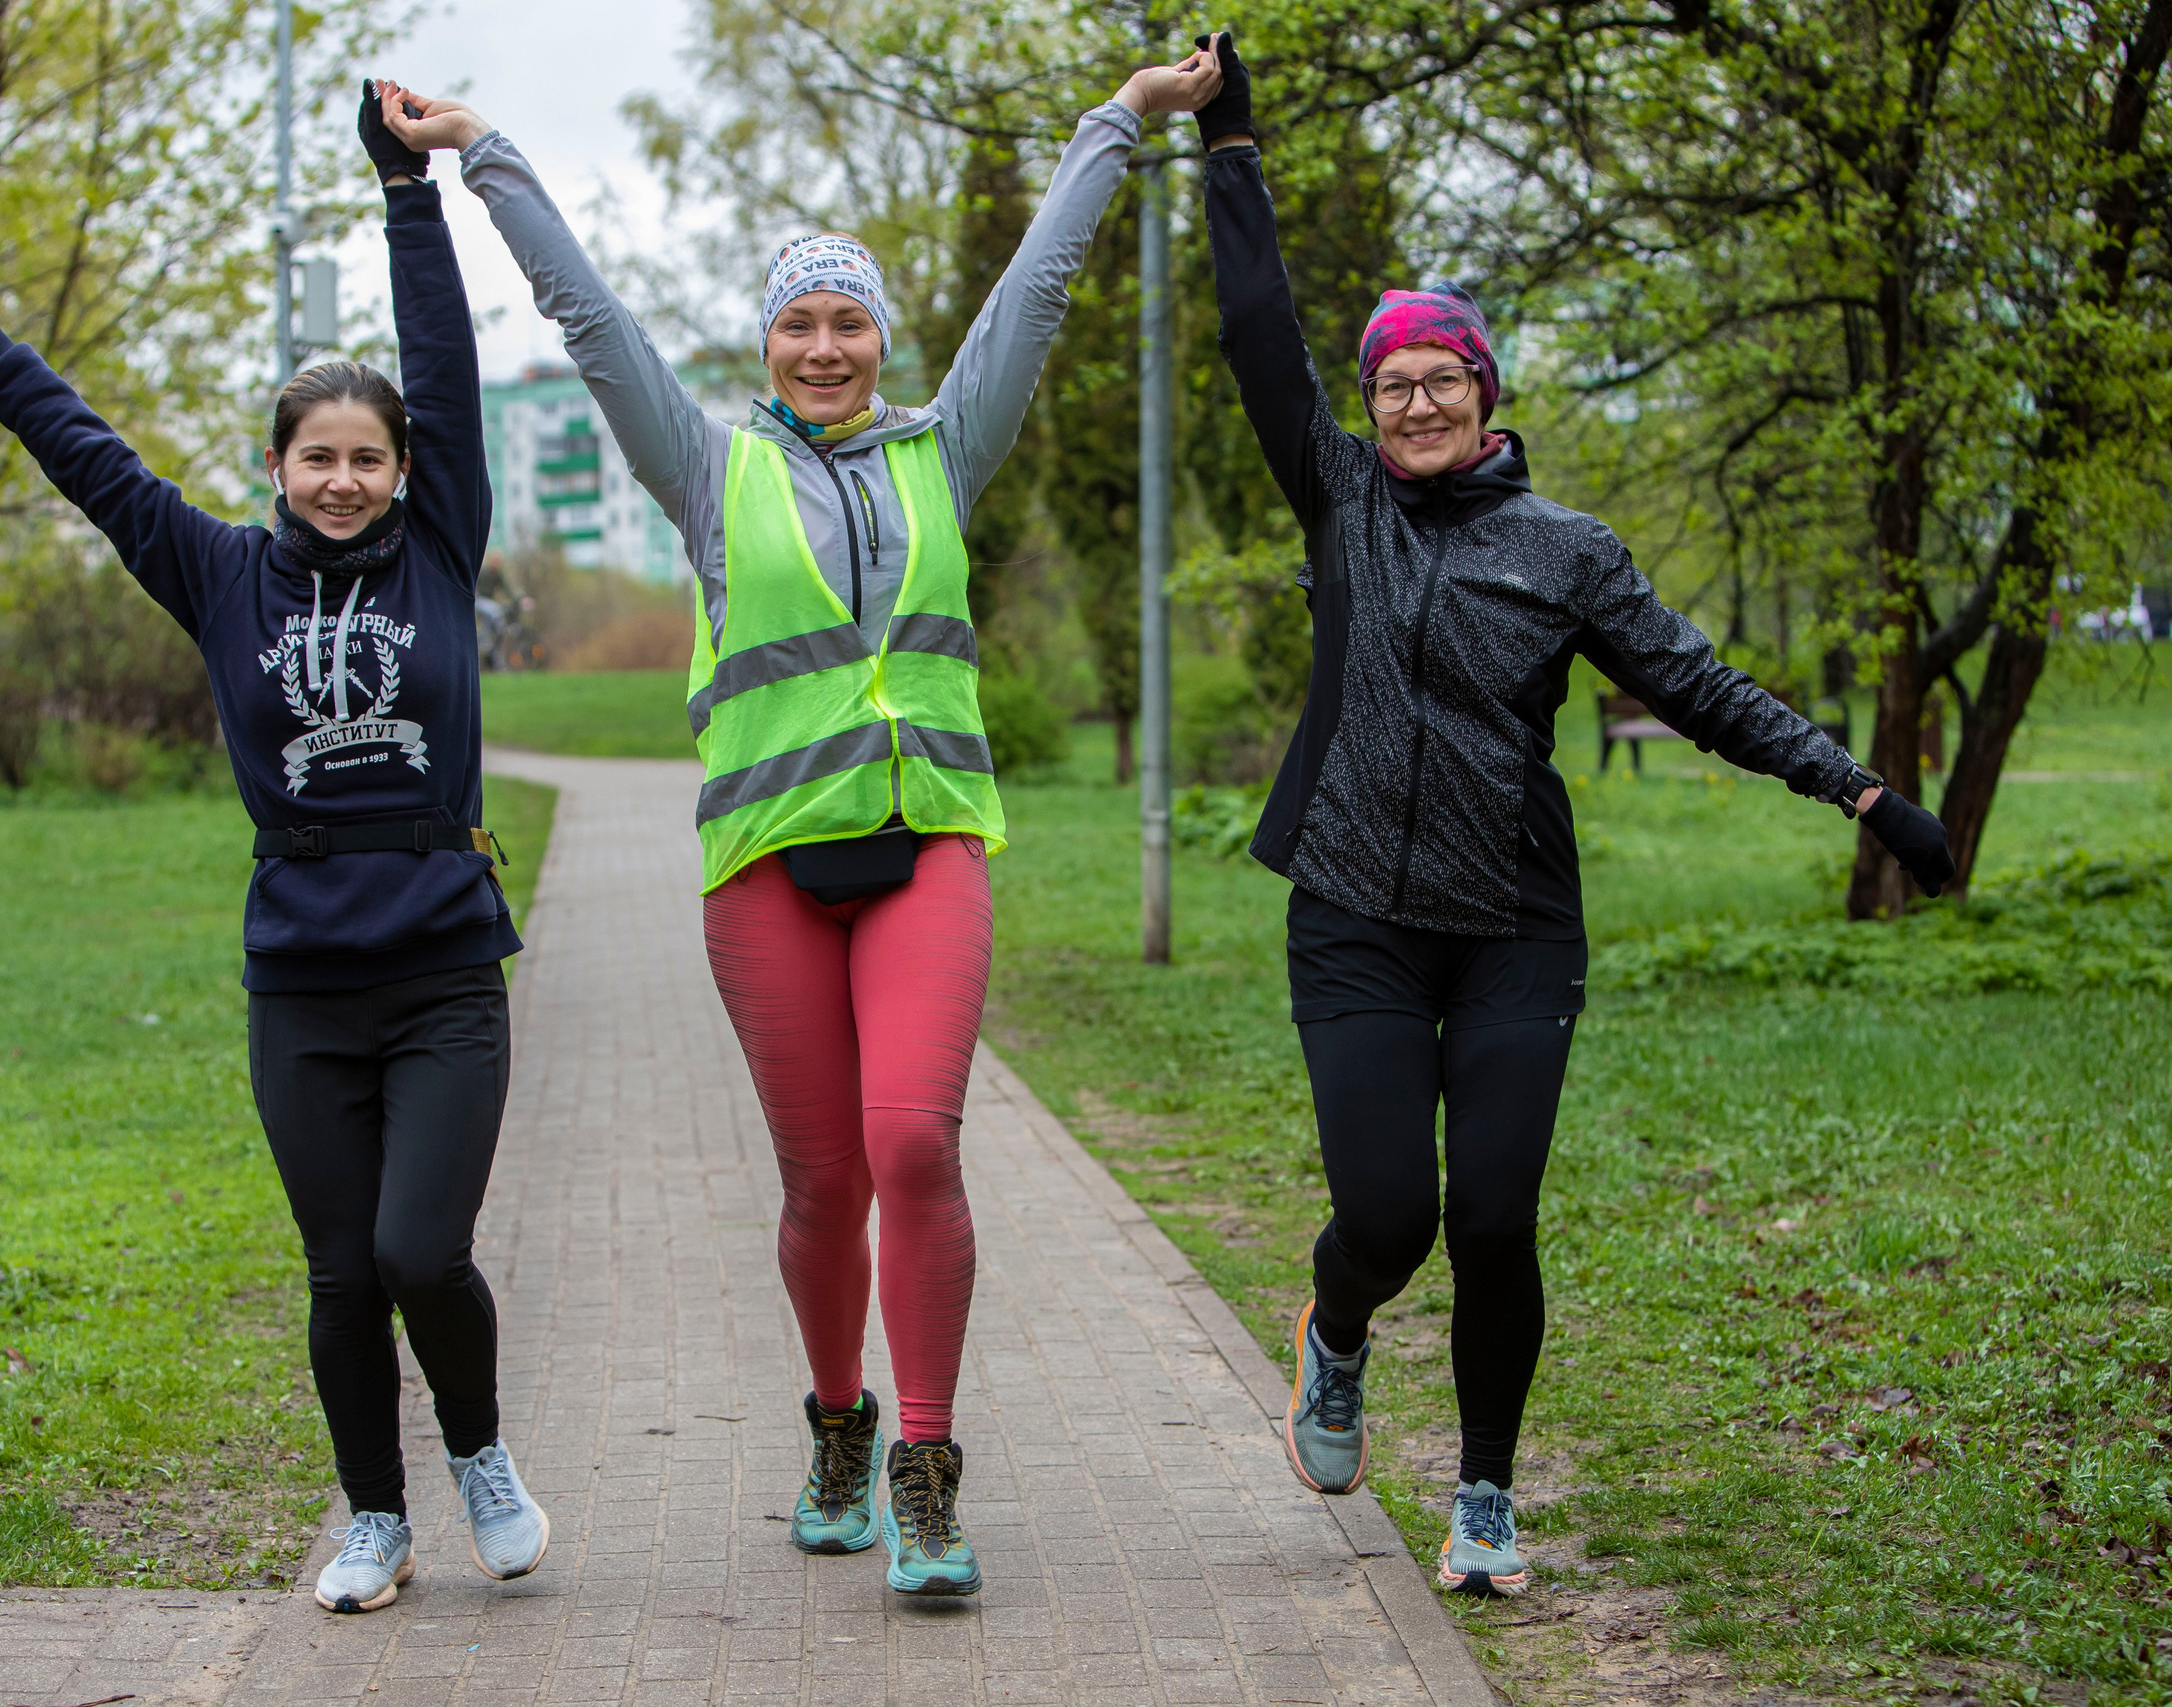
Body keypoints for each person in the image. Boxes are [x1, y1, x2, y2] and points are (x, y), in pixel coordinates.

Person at [371, 51, 1220, 1596]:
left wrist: (1125, 123)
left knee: (915, 1144)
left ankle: (928, 1474)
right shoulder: (709, 468)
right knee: (824, 1181)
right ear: (767, 340)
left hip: (928, 847)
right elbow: (590, 320)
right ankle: (838, 1422)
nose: (826, 346)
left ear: (880, 340)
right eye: (800, 322)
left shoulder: (942, 451)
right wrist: (485, 150)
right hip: (765, 867)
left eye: (850, 322)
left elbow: (1034, 297)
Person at [1184, 36, 1953, 1596]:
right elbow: (1263, 336)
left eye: (1439, 379)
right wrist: (1233, 147)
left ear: (1488, 396)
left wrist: (1863, 791)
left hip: (1517, 930)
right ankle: (1337, 1327)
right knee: (1389, 1211)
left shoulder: (1567, 549)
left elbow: (1702, 686)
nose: (1411, 402)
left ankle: (1483, 1496)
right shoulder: (1339, 500)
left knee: (1500, 1218)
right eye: (1392, 380)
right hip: (1353, 917)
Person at [0, 83, 555, 1614]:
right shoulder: (216, 577)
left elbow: (443, 363)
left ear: (402, 471)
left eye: (366, 458)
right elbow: (85, 453)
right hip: (302, 983)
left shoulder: (445, 543)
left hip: (448, 963)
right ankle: (376, 1522)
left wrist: (408, 191)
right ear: (278, 468)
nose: (342, 478)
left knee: (416, 1252)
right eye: (315, 456)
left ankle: (481, 1456)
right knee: (338, 1275)